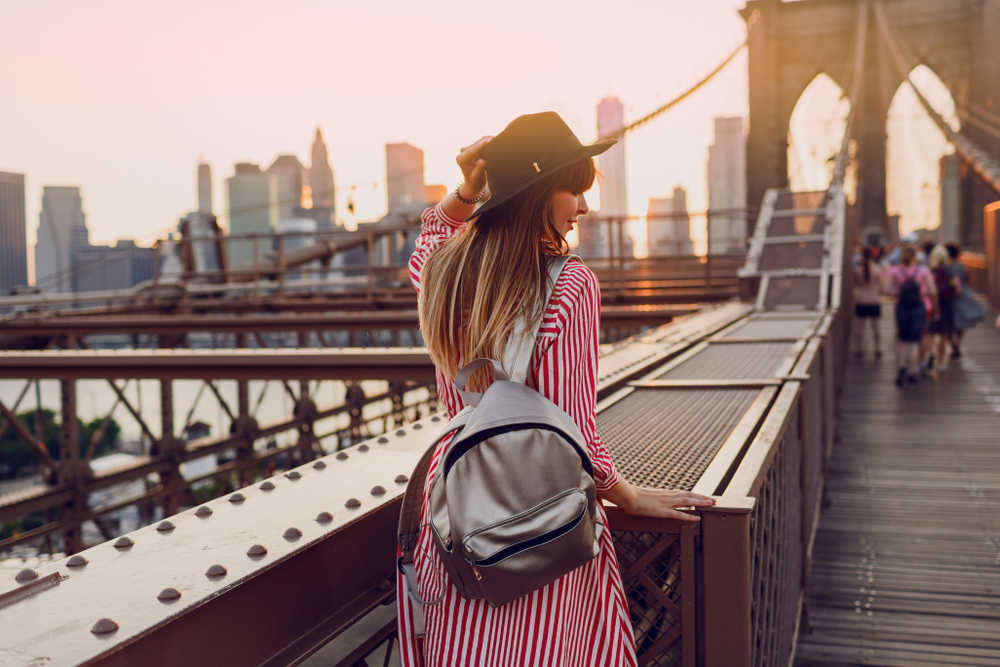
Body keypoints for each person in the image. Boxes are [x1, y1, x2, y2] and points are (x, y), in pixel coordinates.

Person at [400, 112, 716, 667]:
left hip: (456, 526)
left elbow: (431, 238)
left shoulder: (444, 275)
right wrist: (630, 496)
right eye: (575, 188)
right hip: (538, 532)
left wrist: (467, 187)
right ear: (542, 189)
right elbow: (575, 437)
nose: (585, 207)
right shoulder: (570, 284)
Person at [885, 245, 938, 385]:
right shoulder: (923, 271)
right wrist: (921, 294)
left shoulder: (896, 271)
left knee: (903, 339)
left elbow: (887, 290)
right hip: (918, 307)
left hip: (901, 307)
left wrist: (899, 293)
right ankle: (911, 372)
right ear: (915, 257)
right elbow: (932, 291)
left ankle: (901, 367)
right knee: (915, 341)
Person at [945, 243, 984, 354]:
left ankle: (953, 343)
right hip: (962, 296)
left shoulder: (946, 266)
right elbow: (968, 280)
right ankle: (957, 341)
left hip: (948, 298)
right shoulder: (961, 265)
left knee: (948, 322)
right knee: (960, 321)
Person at [927, 245, 958, 373]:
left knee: (931, 333)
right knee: (945, 333)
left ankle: (929, 357)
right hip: (947, 305)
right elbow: (957, 288)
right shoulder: (950, 271)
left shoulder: (930, 271)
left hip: (933, 305)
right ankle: (940, 362)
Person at [853, 246, 883, 358]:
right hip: (874, 299)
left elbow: (856, 285)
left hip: (862, 300)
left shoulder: (858, 271)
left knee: (860, 327)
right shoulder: (877, 270)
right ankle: (877, 349)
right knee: (876, 327)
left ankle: (859, 349)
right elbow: (881, 287)